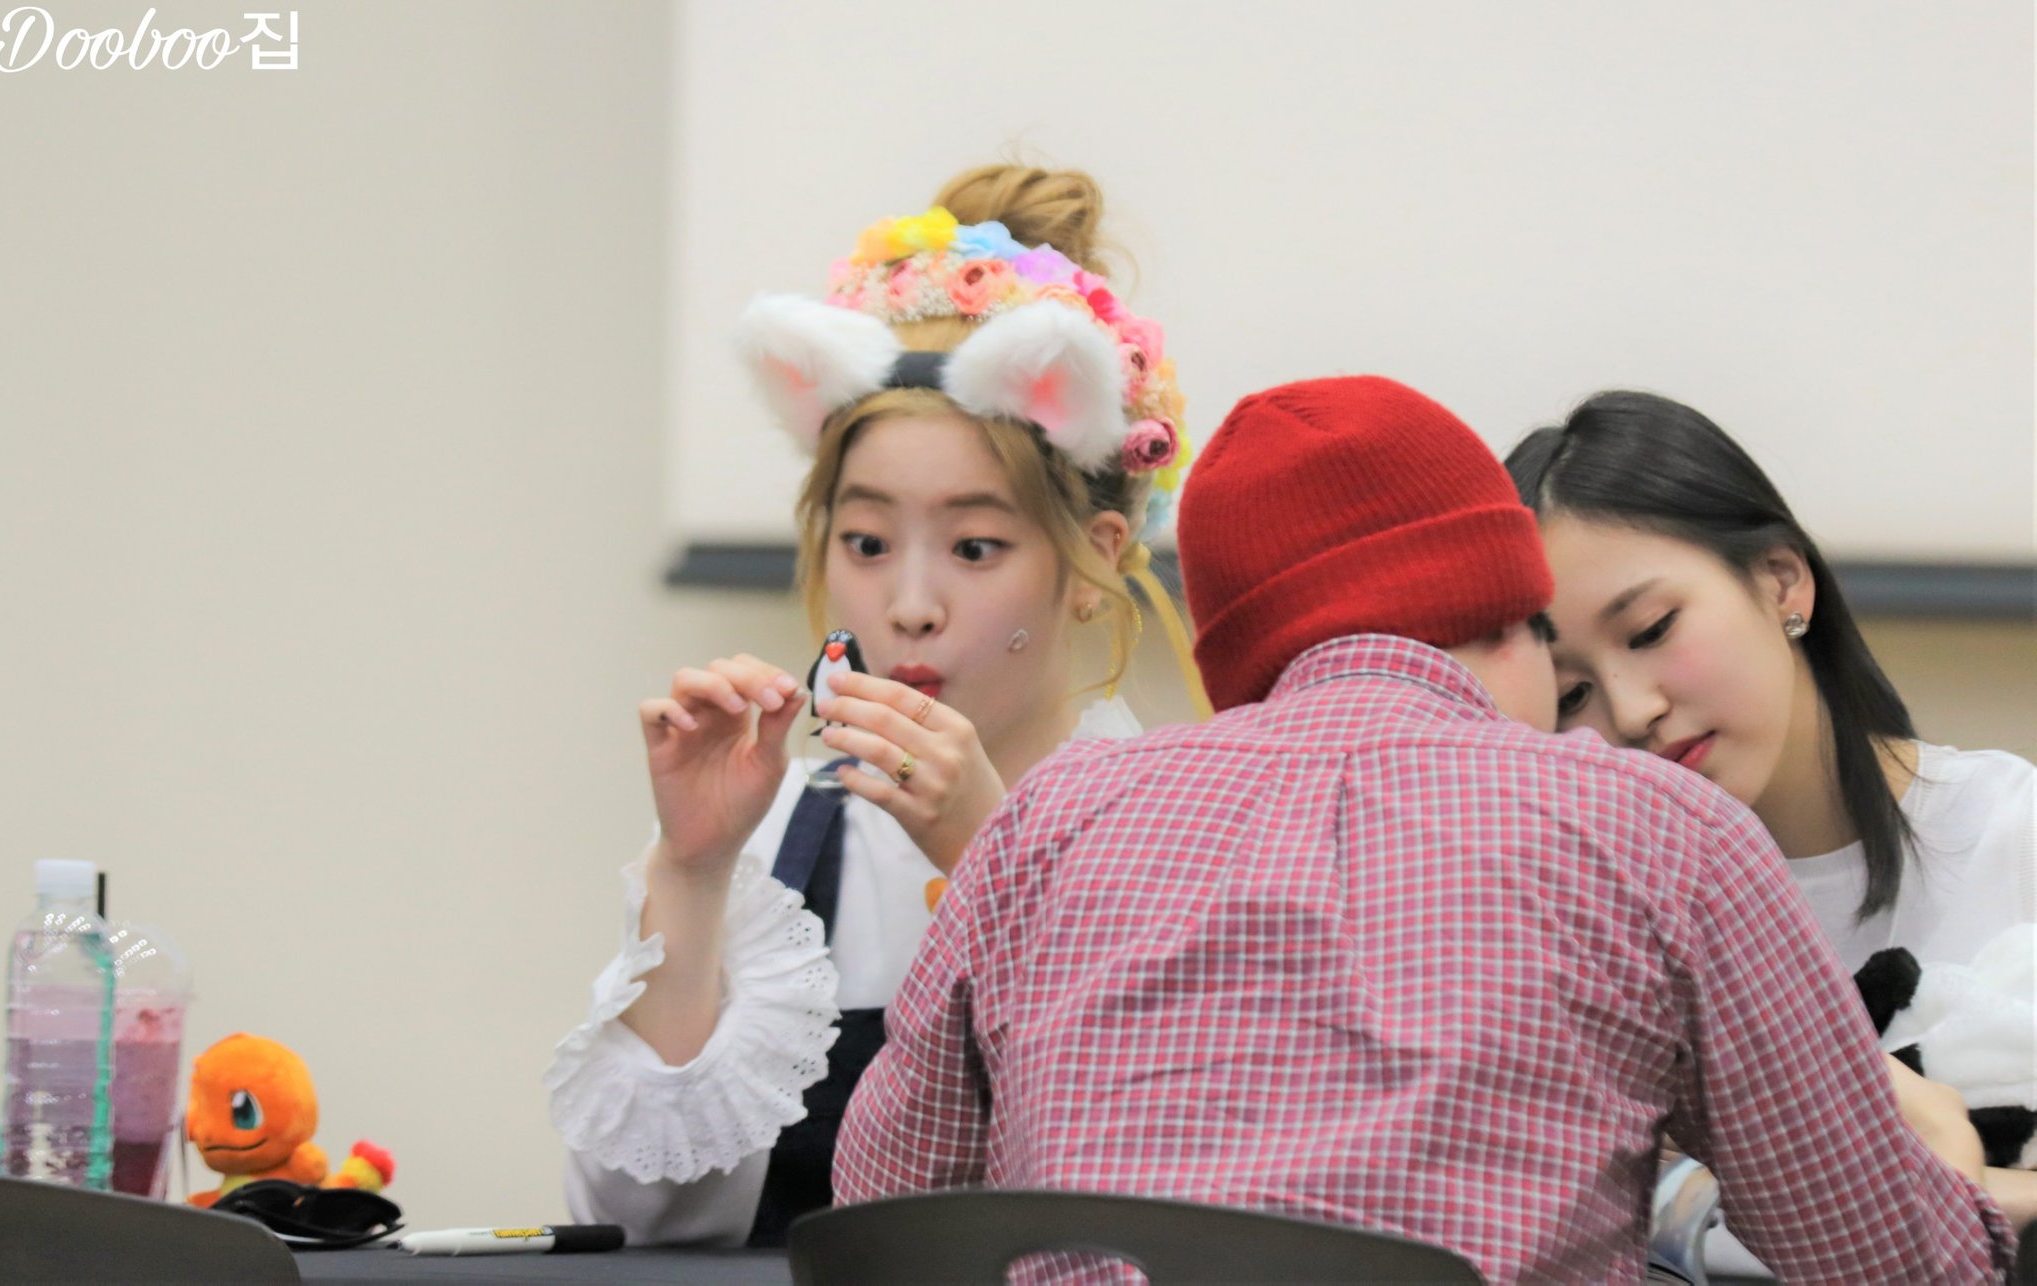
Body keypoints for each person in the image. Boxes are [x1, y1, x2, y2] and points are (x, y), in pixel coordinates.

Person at [833, 375, 2015, 1282]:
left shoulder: (1051, 811)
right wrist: (1951, 1177)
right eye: (1565, 679)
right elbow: (1890, 1261)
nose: (1610, 719)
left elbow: (882, 1207)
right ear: (1508, 616)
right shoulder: (1664, 832)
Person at [544, 164, 1202, 1246]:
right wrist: (692, 874)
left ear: (1092, 562)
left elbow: (1158, 1187)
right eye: (865, 542)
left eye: (975, 547)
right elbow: (641, 1223)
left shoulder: (1182, 832)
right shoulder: (777, 837)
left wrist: (987, 859)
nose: (908, 606)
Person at [1505, 390, 2037, 1250]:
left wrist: (1960, 1192)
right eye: (1571, 695)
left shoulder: (2015, 834)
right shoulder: (1584, 927)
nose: (1633, 711)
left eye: (1651, 630)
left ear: (1782, 580)